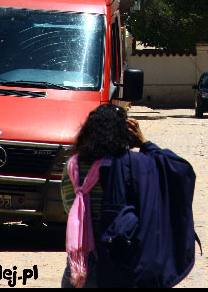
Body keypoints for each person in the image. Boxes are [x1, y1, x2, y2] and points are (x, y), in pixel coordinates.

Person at [61, 104, 197, 288]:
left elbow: (67, 207)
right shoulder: (130, 165)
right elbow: (180, 170)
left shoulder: (71, 167)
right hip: (115, 264)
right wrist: (145, 143)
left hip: (78, 266)